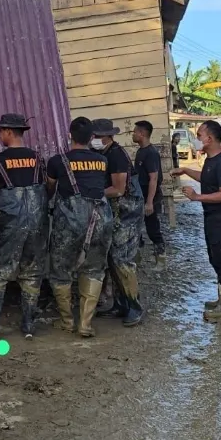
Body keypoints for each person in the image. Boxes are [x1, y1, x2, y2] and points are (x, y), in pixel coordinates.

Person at [0, 114, 48, 340]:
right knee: (31, 273)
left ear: (8, 132)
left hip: (11, 224)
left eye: (1, 131)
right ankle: (28, 326)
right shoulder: (38, 158)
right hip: (38, 223)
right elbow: (45, 188)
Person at [45, 117, 113, 338]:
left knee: (60, 270)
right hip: (100, 220)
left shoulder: (57, 162)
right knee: (94, 270)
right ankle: (85, 324)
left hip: (69, 223)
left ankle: (66, 321)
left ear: (70, 135)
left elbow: (50, 189)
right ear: (92, 138)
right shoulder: (102, 161)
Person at [171, 120, 221, 319]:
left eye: (199, 135)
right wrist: (184, 170)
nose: (196, 138)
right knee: (215, 258)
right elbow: (206, 178)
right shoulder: (211, 160)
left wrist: (197, 197)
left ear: (209, 139)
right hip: (212, 218)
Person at [92, 118, 145, 326]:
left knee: (122, 260)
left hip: (127, 211)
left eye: (97, 137)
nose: (94, 140)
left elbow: (119, 189)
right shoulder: (103, 153)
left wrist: (93, 193)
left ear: (108, 137)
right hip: (116, 212)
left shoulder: (116, 155)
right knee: (113, 259)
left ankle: (134, 306)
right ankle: (120, 304)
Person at [133, 120, 166, 258]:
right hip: (141, 195)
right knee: (136, 227)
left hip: (150, 195)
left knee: (152, 228)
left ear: (141, 134)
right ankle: (137, 258)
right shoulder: (141, 151)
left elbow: (153, 178)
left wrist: (149, 202)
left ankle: (161, 257)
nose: (133, 134)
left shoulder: (151, 153)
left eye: (134, 132)